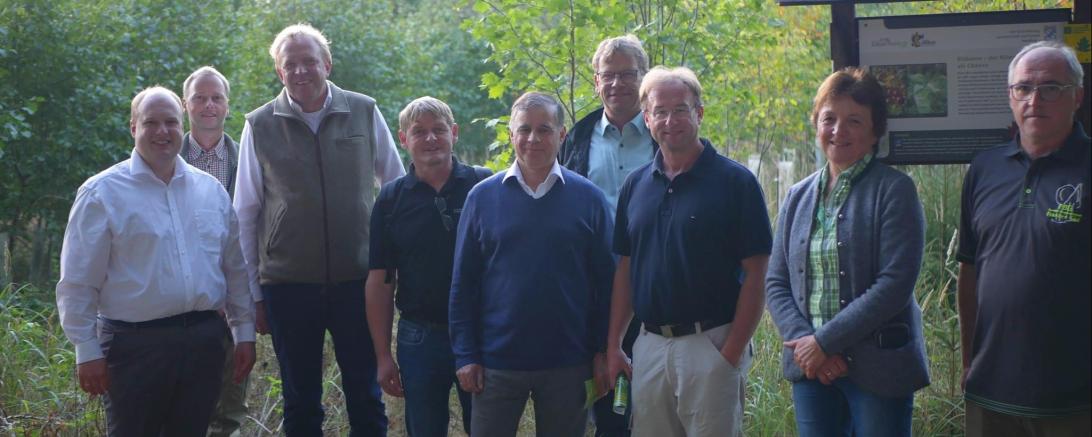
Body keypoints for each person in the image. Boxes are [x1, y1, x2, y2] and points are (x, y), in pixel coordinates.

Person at [234, 23, 406, 436]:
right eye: (289, 64)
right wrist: (254, 295)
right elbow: (244, 213)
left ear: (326, 64)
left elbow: (396, 186)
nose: (300, 71)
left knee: (366, 395)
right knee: (300, 401)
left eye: (309, 61)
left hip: (359, 283)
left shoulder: (363, 110)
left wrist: (394, 270)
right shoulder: (259, 125)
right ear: (279, 72)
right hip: (288, 286)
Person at [56, 86, 256, 435]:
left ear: (183, 126)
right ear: (133, 127)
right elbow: (78, 280)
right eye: (151, 123)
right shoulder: (101, 193)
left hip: (205, 342)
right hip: (134, 347)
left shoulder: (210, 190)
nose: (162, 132)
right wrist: (86, 350)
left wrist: (244, 333)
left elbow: (234, 270)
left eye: (171, 122)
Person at [606, 67, 771, 437]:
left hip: (710, 344)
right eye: (659, 111)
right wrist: (615, 343)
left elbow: (757, 274)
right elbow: (626, 269)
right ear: (646, 119)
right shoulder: (635, 186)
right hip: (648, 346)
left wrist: (729, 353)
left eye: (680, 109)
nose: (670, 120)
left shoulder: (735, 182)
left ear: (699, 112)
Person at [765, 67, 930, 436]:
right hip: (812, 372)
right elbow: (776, 281)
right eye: (829, 118)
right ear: (816, 123)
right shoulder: (797, 197)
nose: (839, 131)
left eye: (854, 120)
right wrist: (810, 349)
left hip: (878, 370)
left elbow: (894, 285)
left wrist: (824, 343)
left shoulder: (895, 191)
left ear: (875, 132)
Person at [449, 92, 615, 437]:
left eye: (544, 129)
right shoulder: (482, 198)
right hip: (496, 363)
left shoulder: (589, 199)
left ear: (562, 134)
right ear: (511, 135)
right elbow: (463, 284)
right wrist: (466, 354)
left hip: (569, 363)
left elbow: (608, 284)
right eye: (524, 129)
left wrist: (603, 350)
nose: (533, 139)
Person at [957, 40, 1090, 437]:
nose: (1036, 99)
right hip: (990, 394)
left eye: (1051, 88)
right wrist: (969, 362)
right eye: (1024, 88)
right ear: (1011, 97)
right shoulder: (984, 169)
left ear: (1077, 97)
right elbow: (970, 272)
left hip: (1074, 399)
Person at [365, 96, 488, 436]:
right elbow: (380, 281)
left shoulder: (484, 185)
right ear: (403, 139)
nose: (430, 139)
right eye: (419, 132)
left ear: (455, 133)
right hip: (420, 336)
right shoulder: (390, 200)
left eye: (439, 130)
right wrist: (382, 356)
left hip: (480, 333)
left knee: (486, 427)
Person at [558, 37, 653, 435]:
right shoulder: (576, 138)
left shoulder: (664, 130)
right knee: (604, 404)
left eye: (627, 74)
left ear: (644, 77)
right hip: (591, 292)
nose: (617, 84)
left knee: (651, 404)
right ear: (596, 82)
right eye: (608, 75)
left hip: (652, 289)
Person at [178, 65, 251, 437]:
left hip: (234, 307)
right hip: (177, 310)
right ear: (184, 105)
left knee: (228, 415)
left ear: (227, 106)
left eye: (216, 98)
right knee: (178, 410)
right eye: (200, 98)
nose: (209, 105)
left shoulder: (251, 162)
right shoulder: (159, 157)